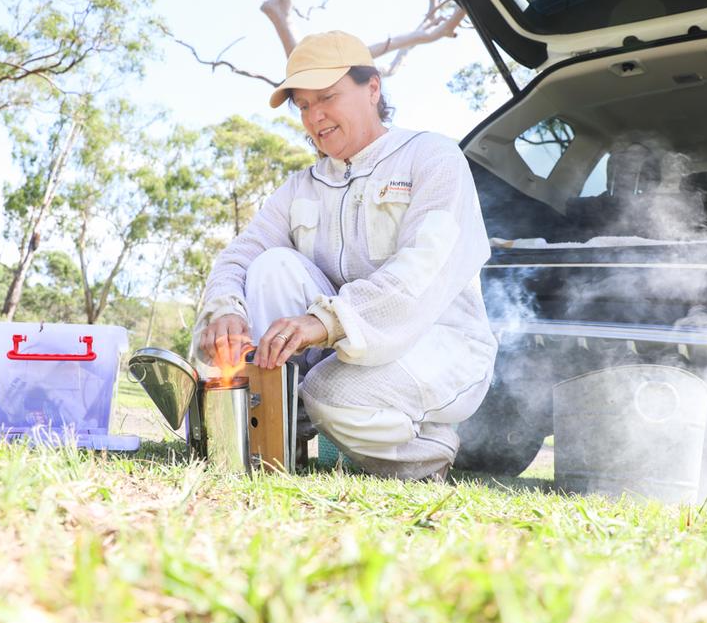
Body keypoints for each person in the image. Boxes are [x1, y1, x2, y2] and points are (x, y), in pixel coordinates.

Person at [193, 30, 497, 480]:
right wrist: (224, 310)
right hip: (345, 344)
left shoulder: (432, 157)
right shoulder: (301, 186)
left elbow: (420, 271)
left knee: (332, 394)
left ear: (372, 88)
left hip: (442, 343)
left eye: (327, 97)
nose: (315, 116)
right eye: (303, 105)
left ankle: (429, 450)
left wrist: (326, 322)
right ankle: (276, 436)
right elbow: (240, 255)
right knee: (270, 266)